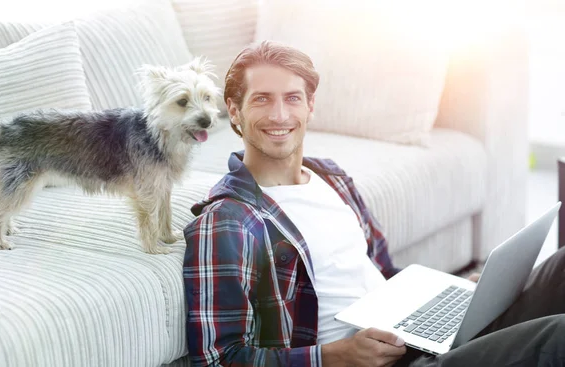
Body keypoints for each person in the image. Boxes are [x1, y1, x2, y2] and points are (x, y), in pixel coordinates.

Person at [182, 40, 565, 367]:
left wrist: (456, 294)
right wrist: (336, 356)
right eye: (262, 99)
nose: (280, 115)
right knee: (557, 337)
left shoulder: (330, 177)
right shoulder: (226, 221)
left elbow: (383, 275)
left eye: (292, 98)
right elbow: (220, 357)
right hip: (384, 363)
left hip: (412, 342)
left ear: (310, 106)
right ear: (233, 110)